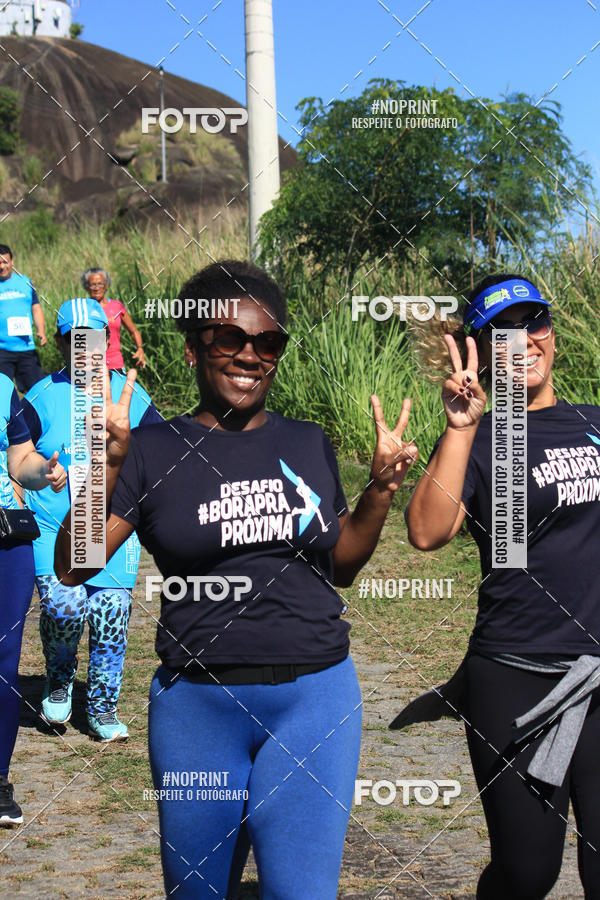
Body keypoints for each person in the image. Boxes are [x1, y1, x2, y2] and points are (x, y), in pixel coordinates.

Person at [55, 260, 418, 898]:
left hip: (315, 699)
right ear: (195, 346)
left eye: (267, 342)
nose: (249, 356)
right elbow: (73, 563)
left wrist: (381, 491)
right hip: (198, 708)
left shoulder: (308, 442)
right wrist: (107, 464)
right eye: (230, 339)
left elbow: (343, 563)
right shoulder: (151, 448)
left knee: (301, 891)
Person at [405, 273, 600, 899]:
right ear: (482, 350)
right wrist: (461, 427)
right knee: (527, 872)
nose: (523, 341)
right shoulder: (488, 436)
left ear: (552, 333)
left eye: (533, 323)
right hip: (516, 672)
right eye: (502, 333)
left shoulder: (593, 422)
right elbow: (428, 533)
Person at [23, 298, 162, 742]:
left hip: (112, 529)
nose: (87, 349)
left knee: (110, 612)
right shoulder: (41, 396)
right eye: (76, 340)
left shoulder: (130, 395)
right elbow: (17, 456)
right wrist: (44, 471)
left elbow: (163, 456)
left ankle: (103, 706)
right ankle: (60, 680)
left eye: (96, 339)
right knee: (66, 607)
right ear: (62, 342)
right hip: (54, 527)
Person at [0, 372, 66, 825]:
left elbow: (19, 458)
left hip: (7, 538)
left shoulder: (3, 386)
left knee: (5, 661)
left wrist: (42, 471)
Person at [0, 244, 46, 391]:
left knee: (35, 391)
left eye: (5, 262)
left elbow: (36, 307)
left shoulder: (25, 281)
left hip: (26, 347)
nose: (2, 267)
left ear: (12, 261)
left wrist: (41, 331)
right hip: (2, 349)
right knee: (3, 394)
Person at [82, 268, 146, 371]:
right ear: (87, 287)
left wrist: (140, 348)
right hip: (91, 366)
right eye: (93, 284)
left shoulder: (117, 306)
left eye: (100, 284)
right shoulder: (82, 308)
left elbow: (133, 331)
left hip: (116, 365)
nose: (96, 288)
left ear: (106, 285)